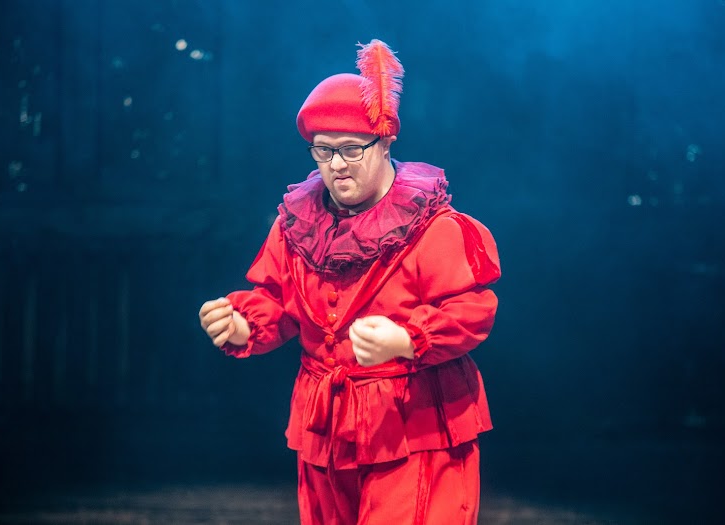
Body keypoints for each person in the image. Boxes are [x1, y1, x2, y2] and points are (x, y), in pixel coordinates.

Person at [199, 39, 501, 525]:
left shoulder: (432, 227)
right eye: (323, 150)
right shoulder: (297, 224)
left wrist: (407, 339)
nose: (336, 165)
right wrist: (241, 326)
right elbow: (278, 301)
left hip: (413, 426)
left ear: (385, 143)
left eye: (351, 149)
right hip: (327, 428)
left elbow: (472, 310)